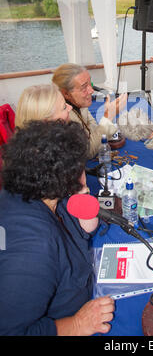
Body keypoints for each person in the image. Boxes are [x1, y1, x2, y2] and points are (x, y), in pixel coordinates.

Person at [0, 120, 114, 335]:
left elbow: (83, 230)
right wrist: (77, 325)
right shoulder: (33, 251)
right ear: (64, 177)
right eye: (80, 168)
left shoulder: (39, 191)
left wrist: (81, 192)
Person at [52, 63, 127, 159]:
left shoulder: (79, 102)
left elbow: (93, 130)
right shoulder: (62, 117)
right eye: (84, 87)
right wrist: (108, 117)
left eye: (90, 84)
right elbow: (88, 152)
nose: (91, 90)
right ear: (66, 93)